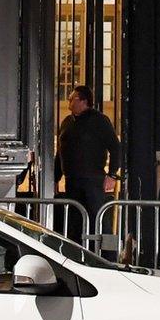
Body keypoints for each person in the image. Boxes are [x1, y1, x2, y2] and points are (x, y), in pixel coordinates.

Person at [55, 85, 121, 243]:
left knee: (97, 216)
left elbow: (116, 147)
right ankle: (77, 252)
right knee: (74, 220)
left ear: (84, 101)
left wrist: (112, 174)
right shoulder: (67, 122)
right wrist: (56, 177)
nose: (69, 102)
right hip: (72, 180)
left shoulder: (99, 120)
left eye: (73, 99)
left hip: (93, 179)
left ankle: (106, 255)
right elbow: (61, 151)